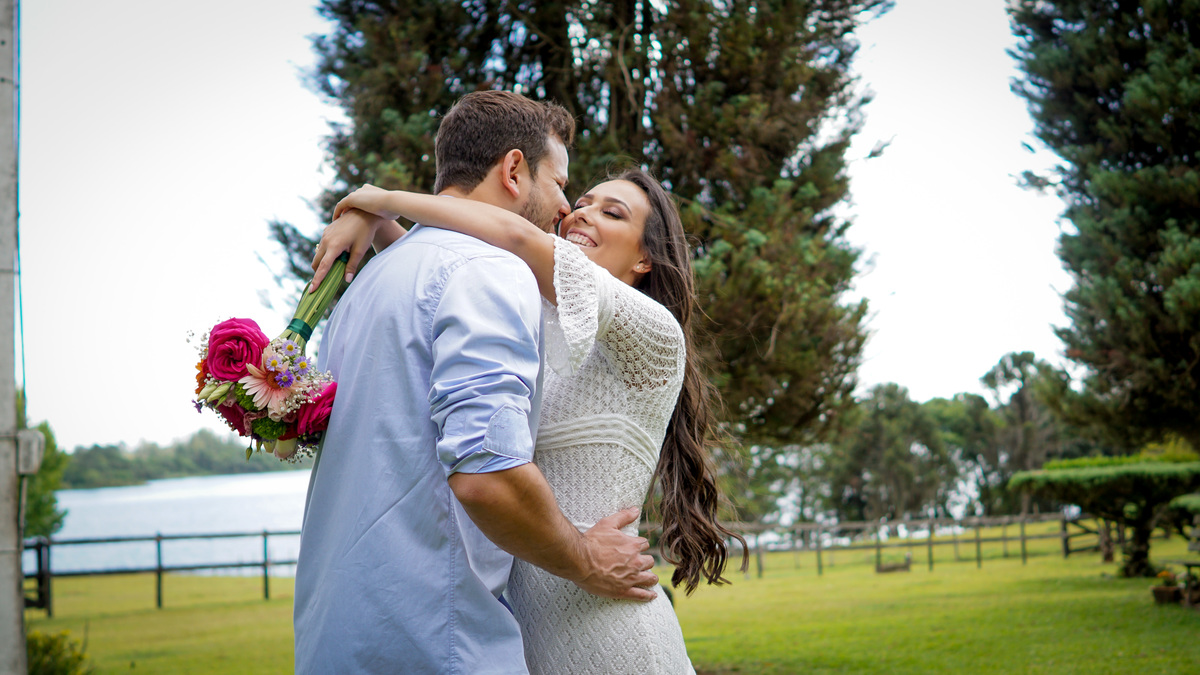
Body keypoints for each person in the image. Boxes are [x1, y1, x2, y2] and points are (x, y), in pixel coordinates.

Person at [312, 165, 746, 674]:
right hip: (525, 636)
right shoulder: (538, 320)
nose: (582, 212)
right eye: (582, 202)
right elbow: (447, 264)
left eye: (612, 212)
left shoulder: (654, 335)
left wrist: (380, 198)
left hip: (609, 632)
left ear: (646, 256)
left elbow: (515, 235)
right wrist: (375, 224)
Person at [293, 90, 660, 675]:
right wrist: (586, 559)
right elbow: (487, 475)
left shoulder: (370, 282)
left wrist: (375, 211)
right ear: (514, 170)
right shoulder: (491, 273)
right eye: (562, 185)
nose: (567, 209)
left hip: (338, 635)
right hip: (437, 641)